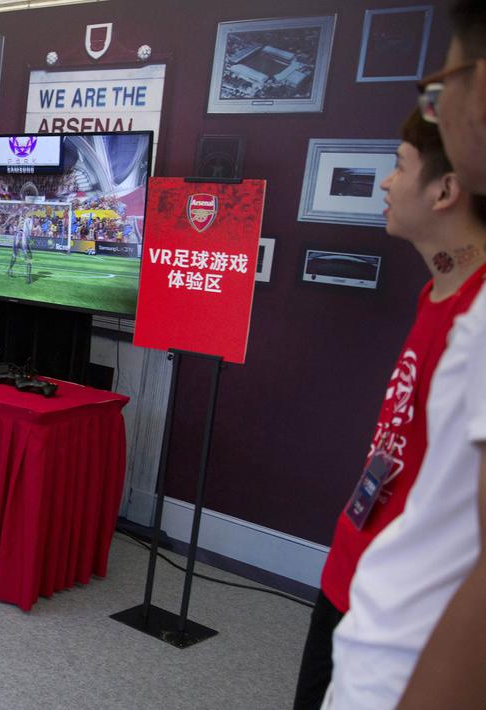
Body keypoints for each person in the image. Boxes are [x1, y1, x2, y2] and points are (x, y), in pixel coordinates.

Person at [290, 108, 486, 709]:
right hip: (355, 569)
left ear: (445, 190)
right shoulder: (438, 292)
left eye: (399, 167)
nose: (384, 182)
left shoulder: (476, 317)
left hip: (406, 609)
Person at [8, 206, 33, 283]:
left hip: (17, 237)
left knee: (14, 255)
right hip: (24, 238)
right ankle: (28, 277)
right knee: (29, 257)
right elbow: (30, 230)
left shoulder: (20, 219)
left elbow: (12, 223)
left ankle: (9, 269)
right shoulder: (29, 220)